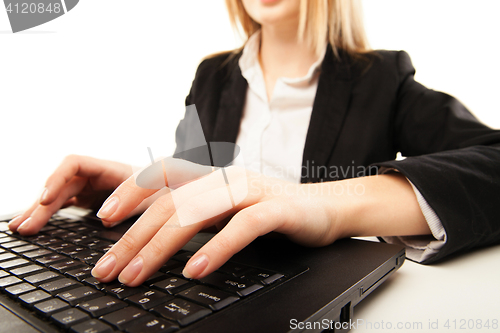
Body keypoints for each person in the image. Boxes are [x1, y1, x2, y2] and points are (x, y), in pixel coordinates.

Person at [8, 0, 500, 287]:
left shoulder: (382, 78)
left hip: (304, 292)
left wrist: (322, 203)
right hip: (198, 282)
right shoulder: (212, 77)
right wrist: (133, 186)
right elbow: (199, 180)